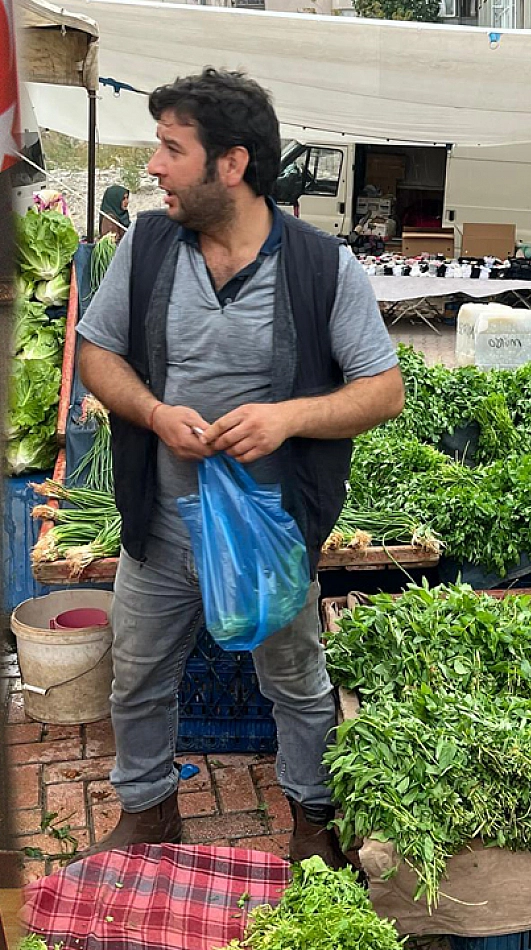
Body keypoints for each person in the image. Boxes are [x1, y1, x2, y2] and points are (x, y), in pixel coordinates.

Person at [74, 68, 405, 866]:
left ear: (232, 163)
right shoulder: (148, 247)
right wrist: (153, 414)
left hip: (269, 532)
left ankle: (312, 819)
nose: (153, 167)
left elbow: (384, 390)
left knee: (295, 683)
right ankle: (150, 813)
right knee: (137, 679)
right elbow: (96, 355)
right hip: (161, 523)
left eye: (170, 148)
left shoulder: (322, 267)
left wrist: (288, 417)